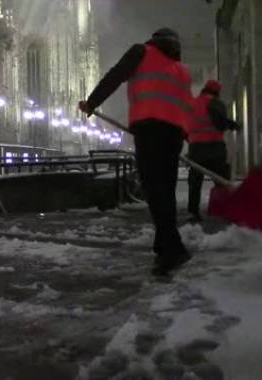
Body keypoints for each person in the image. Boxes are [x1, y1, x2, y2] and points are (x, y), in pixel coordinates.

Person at [79, 28, 193, 276]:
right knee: (166, 190)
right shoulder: (181, 70)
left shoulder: (142, 52)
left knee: (154, 190)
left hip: (150, 129)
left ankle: (172, 250)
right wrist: (186, 134)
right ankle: (165, 244)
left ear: (154, 40)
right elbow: (187, 106)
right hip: (174, 135)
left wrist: (92, 101)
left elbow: (116, 76)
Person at [185, 80, 240, 223]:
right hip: (213, 147)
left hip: (196, 148)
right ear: (216, 92)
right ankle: (222, 210)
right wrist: (232, 125)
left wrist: (191, 139)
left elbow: (185, 126)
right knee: (221, 179)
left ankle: (193, 212)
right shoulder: (215, 103)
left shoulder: (192, 103)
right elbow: (220, 123)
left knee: (195, 182)